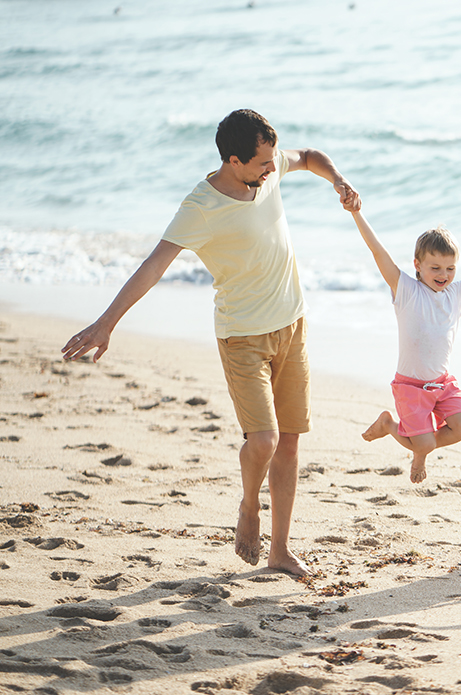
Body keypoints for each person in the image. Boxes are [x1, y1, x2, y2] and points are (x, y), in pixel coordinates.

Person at [61, 109, 359, 577]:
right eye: (262, 162)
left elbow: (310, 157)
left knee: (289, 444)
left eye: (271, 159)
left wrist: (337, 180)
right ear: (234, 160)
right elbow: (154, 265)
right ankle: (248, 508)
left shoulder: (269, 167)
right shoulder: (200, 207)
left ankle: (279, 551)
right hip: (242, 335)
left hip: (292, 325)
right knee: (263, 439)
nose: (271, 167)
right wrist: (106, 323)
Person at [351, 200, 461, 483]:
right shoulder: (407, 291)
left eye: (450, 269)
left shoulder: (457, 294)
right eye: (435, 268)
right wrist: (356, 213)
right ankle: (392, 427)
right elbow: (378, 252)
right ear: (418, 266)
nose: (443, 275)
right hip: (411, 386)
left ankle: (420, 441)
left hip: (443, 384)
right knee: (423, 445)